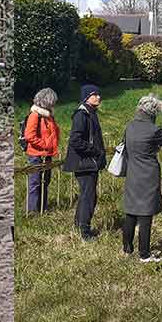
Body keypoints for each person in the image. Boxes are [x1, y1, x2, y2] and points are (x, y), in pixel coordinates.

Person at [121, 94, 162, 262]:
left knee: (130, 211)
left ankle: (127, 248)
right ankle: (144, 254)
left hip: (132, 172)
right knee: (146, 214)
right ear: (153, 112)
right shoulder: (154, 130)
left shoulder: (130, 126)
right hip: (148, 174)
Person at [62, 84, 106, 240]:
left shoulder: (90, 113)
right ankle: (85, 232)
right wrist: (95, 150)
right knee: (89, 196)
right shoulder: (82, 115)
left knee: (86, 195)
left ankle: (78, 226)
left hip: (88, 162)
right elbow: (75, 140)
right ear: (87, 97)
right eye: (95, 94)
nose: (99, 97)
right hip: (84, 163)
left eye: (99, 94)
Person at [24, 87, 60, 213]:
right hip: (36, 155)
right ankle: (32, 211)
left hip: (47, 154)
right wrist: (45, 145)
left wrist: (51, 147)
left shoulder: (49, 116)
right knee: (35, 183)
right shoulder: (35, 116)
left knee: (45, 182)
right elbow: (29, 136)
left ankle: (42, 208)